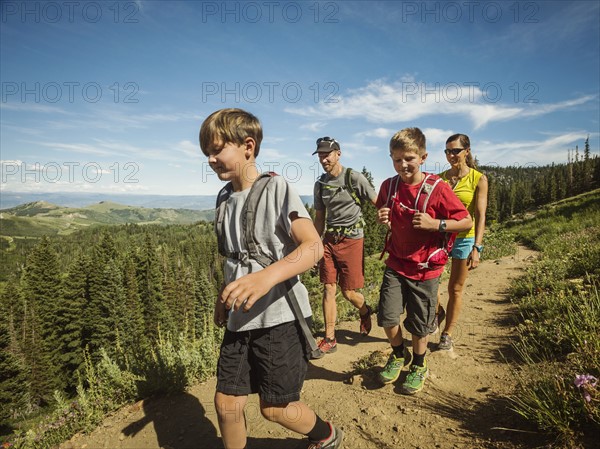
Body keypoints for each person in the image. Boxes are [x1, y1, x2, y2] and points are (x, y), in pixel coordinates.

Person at [199, 109, 343, 449]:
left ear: (248, 146)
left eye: (217, 149)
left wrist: (266, 278)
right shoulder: (223, 199)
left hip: (280, 318)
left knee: (275, 408)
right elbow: (235, 257)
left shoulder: (275, 188)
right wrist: (224, 296)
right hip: (241, 317)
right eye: (206, 152)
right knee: (226, 402)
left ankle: (326, 435)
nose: (210, 158)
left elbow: (313, 247)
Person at [376, 127, 472, 395]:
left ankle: (419, 364)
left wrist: (436, 224)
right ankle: (398, 355)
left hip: (425, 269)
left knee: (420, 324)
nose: (403, 165)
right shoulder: (389, 186)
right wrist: (382, 216)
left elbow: (466, 220)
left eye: (408, 158)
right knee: (387, 317)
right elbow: (382, 211)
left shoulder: (438, 188)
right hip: (396, 263)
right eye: (396, 159)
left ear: (423, 157)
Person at [312, 136, 378, 356]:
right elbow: (319, 218)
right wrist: (314, 243)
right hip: (330, 239)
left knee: (348, 292)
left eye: (327, 154)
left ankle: (364, 310)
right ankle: (330, 337)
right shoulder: (320, 184)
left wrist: (392, 224)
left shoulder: (353, 177)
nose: (323, 159)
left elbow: (378, 203)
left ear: (338, 153)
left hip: (352, 240)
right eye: (320, 155)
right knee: (328, 287)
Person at [435, 134, 488, 350]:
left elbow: (480, 215)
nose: (450, 155)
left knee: (455, 288)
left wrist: (477, 247)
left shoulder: (478, 179)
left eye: (455, 151)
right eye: (447, 151)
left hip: (464, 239)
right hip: (440, 237)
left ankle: (447, 333)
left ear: (467, 151)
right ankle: (438, 312)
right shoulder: (440, 178)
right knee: (429, 286)